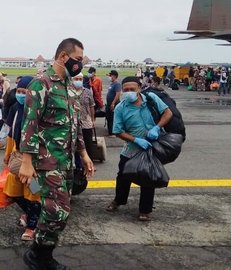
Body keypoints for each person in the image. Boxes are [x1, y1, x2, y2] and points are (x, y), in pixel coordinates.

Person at [18, 38, 94, 269]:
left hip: (65, 161)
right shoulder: (42, 84)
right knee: (57, 211)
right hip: (46, 161)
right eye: (78, 59)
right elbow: (29, 123)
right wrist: (26, 161)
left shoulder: (70, 87)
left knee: (60, 211)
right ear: (64, 56)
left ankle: (41, 255)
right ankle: (38, 258)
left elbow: (75, 125)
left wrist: (84, 153)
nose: (80, 64)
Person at [106, 76, 172, 221]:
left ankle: (145, 210)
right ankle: (119, 200)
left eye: (132, 89)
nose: (129, 92)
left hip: (151, 148)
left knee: (149, 178)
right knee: (123, 176)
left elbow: (168, 113)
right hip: (130, 150)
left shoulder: (151, 99)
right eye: (126, 90)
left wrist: (157, 127)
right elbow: (117, 131)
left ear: (139, 88)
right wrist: (136, 140)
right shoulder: (120, 108)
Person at [3, 75, 41, 241]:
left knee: (34, 193)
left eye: (24, 92)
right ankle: (32, 213)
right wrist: (7, 155)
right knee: (13, 191)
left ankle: (32, 226)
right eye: (18, 91)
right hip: (17, 159)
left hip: (34, 161)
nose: (20, 95)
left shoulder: (39, 111)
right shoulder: (15, 109)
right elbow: (11, 134)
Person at [73, 72, 96, 160]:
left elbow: (91, 106)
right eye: (76, 79)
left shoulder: (87, 92)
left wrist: (93, 120)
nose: (78, 81)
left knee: (88, 144)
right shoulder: (69, 91)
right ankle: (77, 166)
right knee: (75, 145)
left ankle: (89, 164)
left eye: (80, 79)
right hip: (73, 122)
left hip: (86, 121)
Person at [105, 70, 121, 137]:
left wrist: (113, 103)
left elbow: (118, 94)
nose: (109, 77)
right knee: (109, 118)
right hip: (109, 104)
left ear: (114, 76)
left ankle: (113, 133)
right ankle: (110, 132)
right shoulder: (112, 84)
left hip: (113, 104)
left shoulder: (117, 84)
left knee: (112, 118)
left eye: (110, 76)